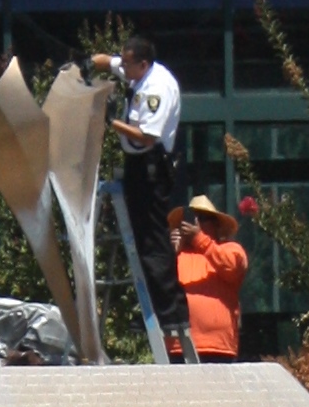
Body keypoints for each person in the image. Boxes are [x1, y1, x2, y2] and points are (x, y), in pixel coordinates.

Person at [91, 37, 190, 333]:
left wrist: (110, 121)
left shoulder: (156, 88)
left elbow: (145, 136)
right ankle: (157, 309)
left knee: (152, 241)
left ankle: (169, 313)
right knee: (139, 235)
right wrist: (83, 65)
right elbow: (106, 61)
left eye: (129, 63)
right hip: (138, 165)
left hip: (151, 165)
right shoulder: (137, 70)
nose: (124, 66)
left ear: (143, 64)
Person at [167, 195, 248, 363]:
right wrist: (171, 253)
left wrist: (199, 239)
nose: (196, 224)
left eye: (203, 219)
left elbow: (232, 267)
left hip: (218, 347)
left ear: (216, 225)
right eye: (192, 219)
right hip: (179, 345)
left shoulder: (230, 249)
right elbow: (159, 286)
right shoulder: (177, 254)